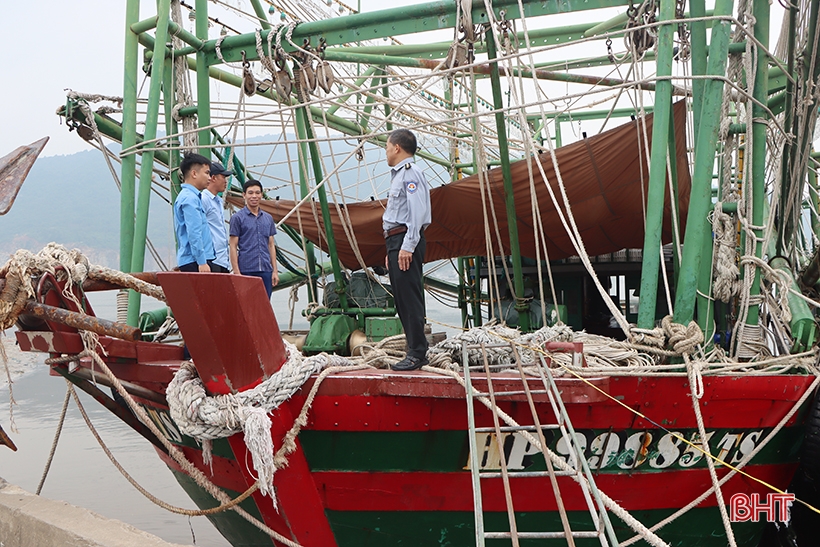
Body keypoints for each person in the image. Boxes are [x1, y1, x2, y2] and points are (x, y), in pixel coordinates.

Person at [382, 129, 432, 371]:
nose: (386, 150)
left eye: (387, 146)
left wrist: (407, 246)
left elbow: (417, 213)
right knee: (402, 298)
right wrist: (394, 247)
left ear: (397, 147)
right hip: (397, 241)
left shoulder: (410, 175)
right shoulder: (399, 176)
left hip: (405, 239)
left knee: (409, 298)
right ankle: (414, 348)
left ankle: (417, 353)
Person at [229, 179, 279, 298]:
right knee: (247, 306)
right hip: (246, 269)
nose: (254, 196)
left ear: (261, 195)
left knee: (265, 306)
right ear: (244, 195)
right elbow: (233, 246)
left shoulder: (268, 218)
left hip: (266, 270)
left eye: (257, 193)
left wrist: (275, 271)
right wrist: (237, 272)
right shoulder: (237, 218)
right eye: (250, 193)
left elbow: (271, 245)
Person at [174, 153, 216, 272]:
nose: (209, 178)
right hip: (195, 261)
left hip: (196, 260)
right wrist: (202, 262)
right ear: (194, 173)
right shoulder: (190, 199)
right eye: (207, 173)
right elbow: (194, 233)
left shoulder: (191, 197)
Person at [201, 161, 233, 273]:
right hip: (212, 260)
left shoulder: (218, 201)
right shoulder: (203, 199)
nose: (225, 181)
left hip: (222, 259)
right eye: (223, 177)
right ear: (213, 178)